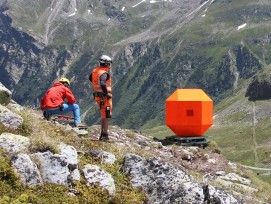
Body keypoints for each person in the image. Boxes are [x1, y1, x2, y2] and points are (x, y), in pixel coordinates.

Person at [89, 55, 113, 141]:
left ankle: (104, 134)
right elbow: (103, 84)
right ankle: (104, 135)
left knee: (104, 113)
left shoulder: (95, 71)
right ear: (107, 64)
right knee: (106, 115)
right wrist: (106, 93)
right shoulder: (104, 73)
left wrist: (96, 87)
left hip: (97, 95)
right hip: (104, 97)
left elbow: (90, 78)